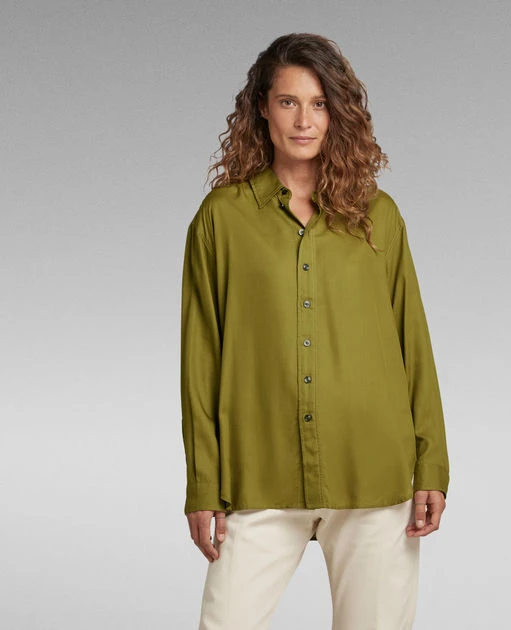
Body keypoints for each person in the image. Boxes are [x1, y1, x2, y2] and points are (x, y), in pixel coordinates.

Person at [180, 32, 450, 630]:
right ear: (261, 108)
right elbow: (200, 360)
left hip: (373, 474)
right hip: (259, 472)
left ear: (338, 113)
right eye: (288, 102)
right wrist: (203, 483)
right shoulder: (222, 219)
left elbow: (413, 343)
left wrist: (431, 463)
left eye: (320, 103)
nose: (304, 120)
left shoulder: (378, 215)